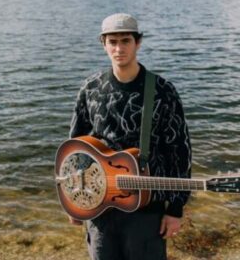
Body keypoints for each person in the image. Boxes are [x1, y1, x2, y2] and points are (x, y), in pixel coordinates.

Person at [68, 13, 192, 260]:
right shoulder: (90, 89)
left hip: (146, 208)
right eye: (112, 42)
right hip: (99, 204)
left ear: (138, 42)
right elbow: (74, 149)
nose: (118, 48)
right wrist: (73, 197)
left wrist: (175, 209)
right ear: (103, 43)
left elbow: (179, 150)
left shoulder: (162, 91)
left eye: (125, 41)